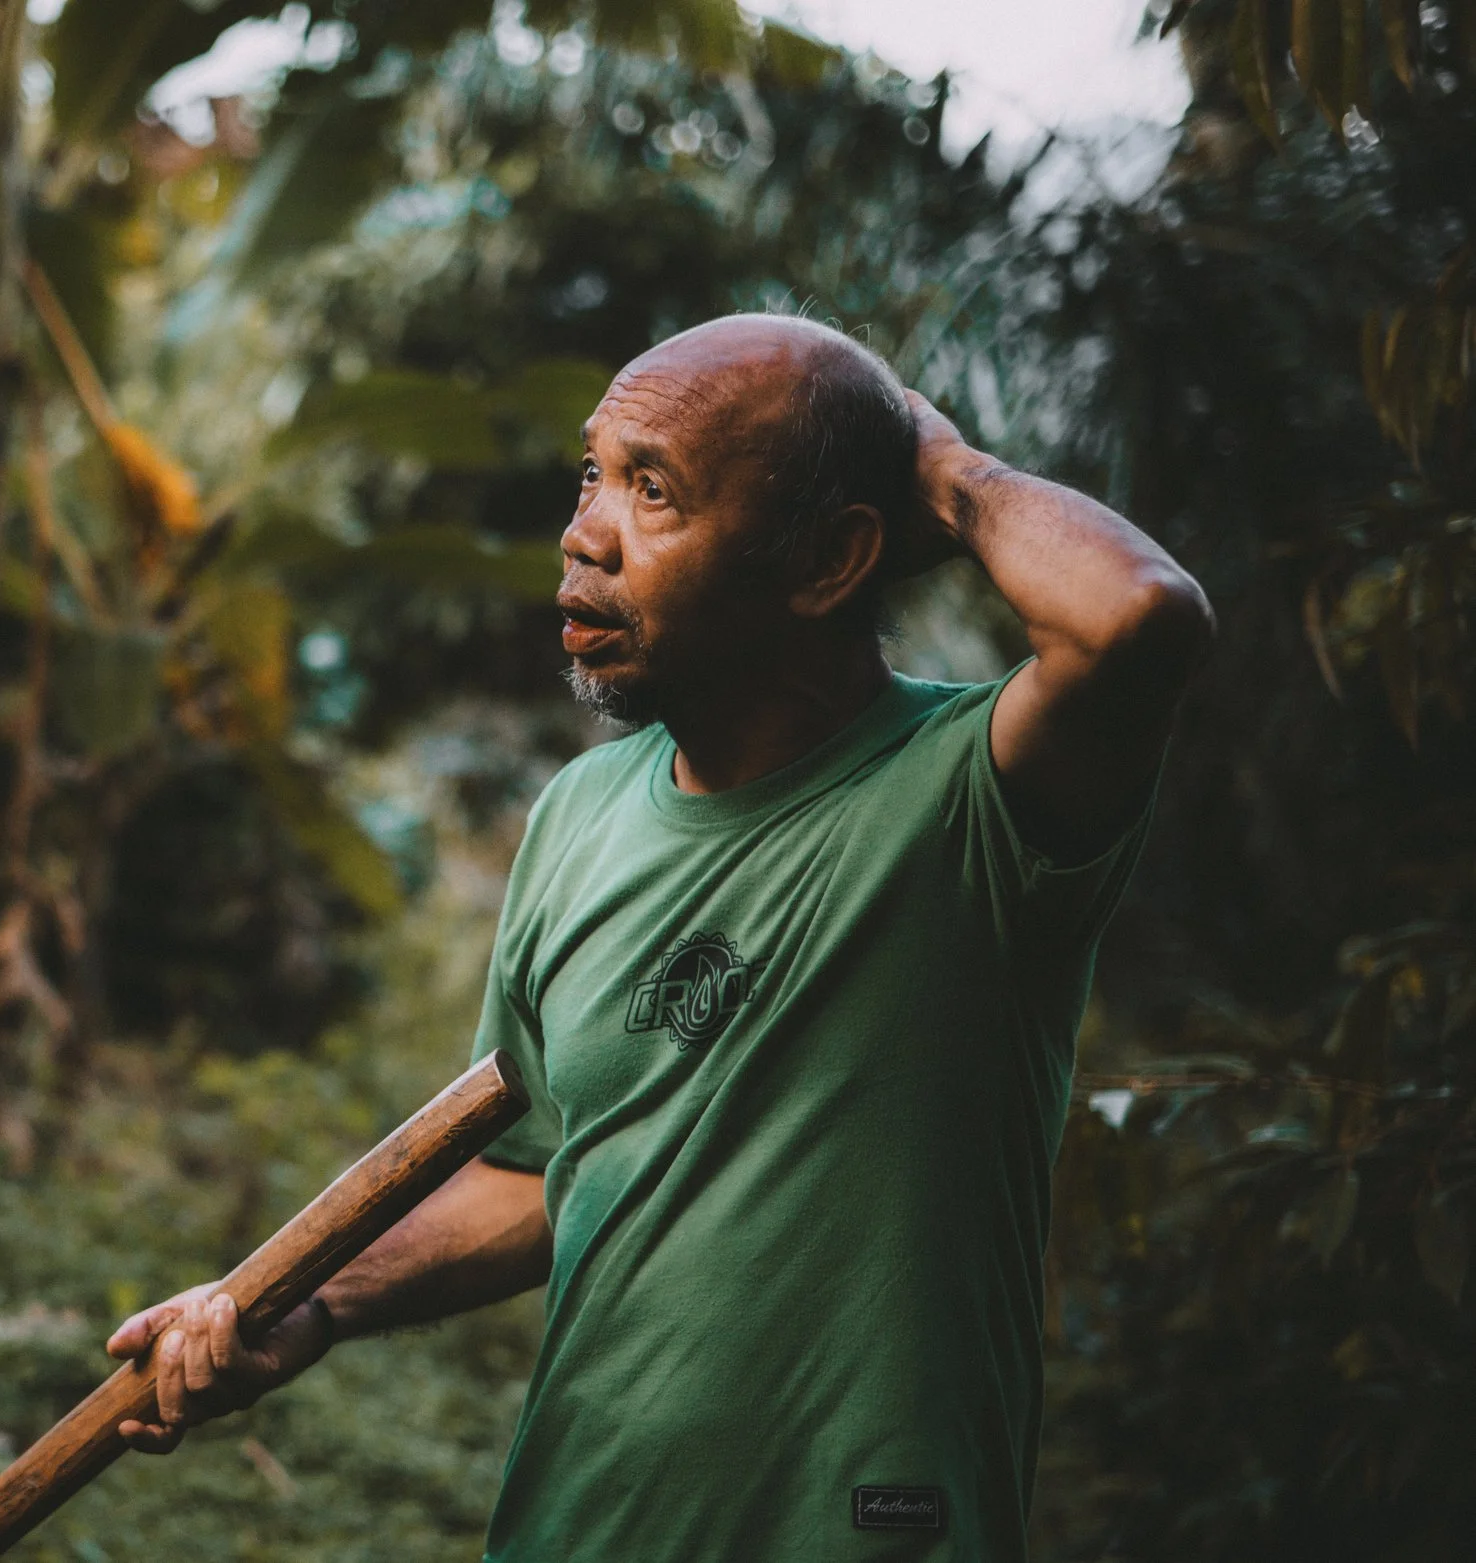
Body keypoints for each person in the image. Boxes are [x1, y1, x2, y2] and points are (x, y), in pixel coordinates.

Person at [101, 313, 1214, 1561]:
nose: (583, 532)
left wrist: (939, 465)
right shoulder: (579, 815)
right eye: (593, 472)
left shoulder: (975, 798)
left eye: (653, 489)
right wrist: (302, 1306)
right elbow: (539, 1168)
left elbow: (1134, 617)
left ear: (830, 562)